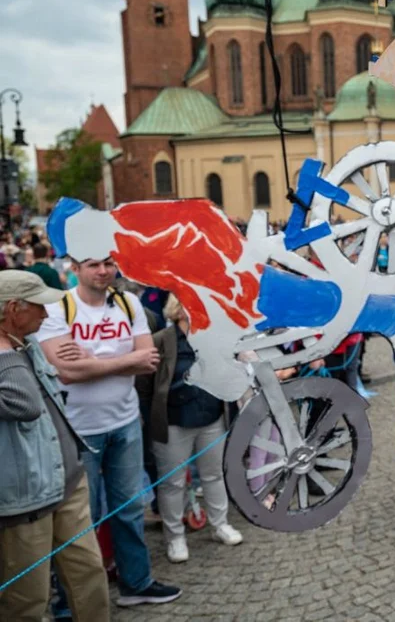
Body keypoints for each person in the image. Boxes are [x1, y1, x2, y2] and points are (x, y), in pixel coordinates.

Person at [37, 258, 180, 606]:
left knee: (129, 508)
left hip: (125, 421)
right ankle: (70, 602)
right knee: (81, 518)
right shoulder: (58, 307)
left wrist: (90, 360)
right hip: (77, 429)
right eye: (92, 264)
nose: (102, 271)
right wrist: (122, 361)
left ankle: (136, 582)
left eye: (108, 263)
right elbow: (66, 372)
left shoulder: (127, 302)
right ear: (75, 267)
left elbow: (148, 358)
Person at [0, 271, 110, 621]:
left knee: (90, 575)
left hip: (67, 480)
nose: (47, 315)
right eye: (39, 307)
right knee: (28, 600)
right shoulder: (10, 356)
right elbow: (26, 405)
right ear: (13, 309)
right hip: (25, 498)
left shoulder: (25, 345)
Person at [139, 293, 244, 563]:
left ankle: (220, 524)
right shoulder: (162, 339)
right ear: (180, 309)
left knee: (214, 475)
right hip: (173, 421)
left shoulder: (212, 338)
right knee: (172, 483)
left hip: (211, 416)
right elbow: (145, 386)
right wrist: (150, 421)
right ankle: (174, 536)